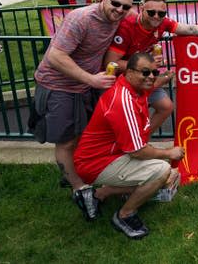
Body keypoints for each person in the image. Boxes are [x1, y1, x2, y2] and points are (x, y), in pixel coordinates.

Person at [31, 0, 134, 214]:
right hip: (58, 85)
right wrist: (90, 79)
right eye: (115, 3)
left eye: (125, 7)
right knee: (66, 141)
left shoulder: (120, 17)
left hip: (85, 85)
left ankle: (73, 175)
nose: (119, 10)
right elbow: (56, 55)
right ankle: (79, 188)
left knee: (83, 136)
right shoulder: (81, 18)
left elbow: (151, 20)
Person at [73, 52, 185, 239]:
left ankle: (99, 194)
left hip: (110, 155)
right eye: (145, 72)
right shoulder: (123, 101)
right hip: (96, 163)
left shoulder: (137, 88)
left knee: (161, 176)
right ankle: (124, 215)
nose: (150, 77)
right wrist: (169, 152)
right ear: (129, 72)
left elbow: (154, 84)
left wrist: (166, 76)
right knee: (161, 171)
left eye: (154, 72)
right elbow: (137, 151)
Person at [103, 0, 198, 130]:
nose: (156, 16)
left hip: (144, 76)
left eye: (161, 13)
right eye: (151, 12)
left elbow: (190, 29)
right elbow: (111, 63)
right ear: (142, 8)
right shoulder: (127, 27)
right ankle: (129, 144)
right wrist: (146, 64)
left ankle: (141, 141)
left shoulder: (162, 23)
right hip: (122, 80)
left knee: (166, 107)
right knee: (127, 116)